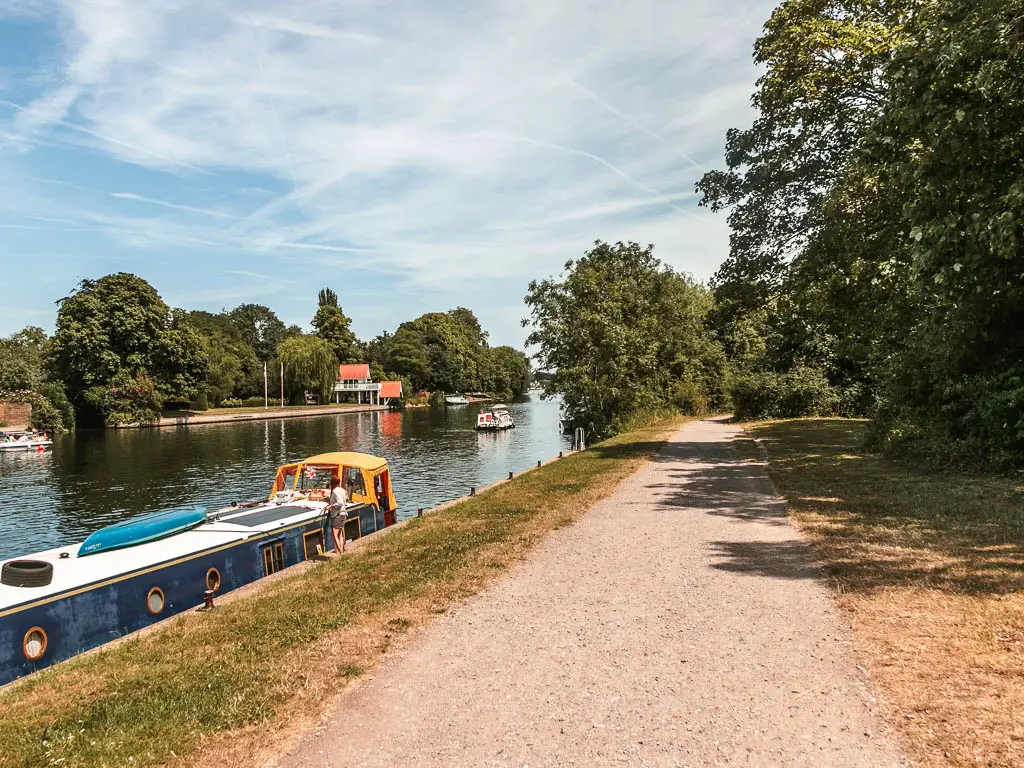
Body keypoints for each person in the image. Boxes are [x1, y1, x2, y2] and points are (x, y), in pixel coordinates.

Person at [326, 477, 349, 553]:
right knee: (340, 535)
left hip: (337, 515)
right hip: (343, 513)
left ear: (332, 483)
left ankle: (339, 553)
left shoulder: (335, 491)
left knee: (334, 535)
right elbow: (345, 501)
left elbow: (340, 503)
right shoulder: (342, 490)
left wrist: (330, 506)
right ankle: (340, 551)